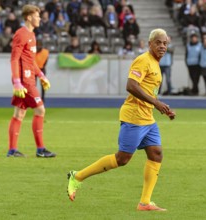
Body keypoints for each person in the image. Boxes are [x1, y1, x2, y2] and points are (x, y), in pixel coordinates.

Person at [67, 28, 176, 211]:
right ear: (150, 44)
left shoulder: (156, 63)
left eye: (165, 43)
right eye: (158, 42)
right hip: (134, 116)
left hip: (147, 118)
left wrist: (161, 108)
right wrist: (157, 103)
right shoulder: (143, 60)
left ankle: (145, 202)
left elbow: (149, 91)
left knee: (156, 154)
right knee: (122, 158)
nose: (162, 46)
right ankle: (76, 177)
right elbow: (131, 86)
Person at [6, 4, 56, 158]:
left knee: (19, 114)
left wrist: (41, 75)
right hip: (24, 81)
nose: (39, 18)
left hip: (29, 79)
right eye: (37, 15)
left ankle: (12, 150)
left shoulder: (32, 35)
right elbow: (14, 59)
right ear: (28, 17)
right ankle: (40, 149)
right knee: (40, 110)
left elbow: (30, 60)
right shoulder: (21, 34)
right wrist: (16, 82)